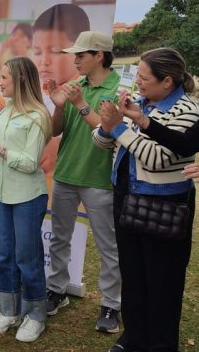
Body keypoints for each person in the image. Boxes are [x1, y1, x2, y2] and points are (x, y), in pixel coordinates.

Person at [92, 48, 198, 352]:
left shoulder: (186, 110)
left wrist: (120, 127)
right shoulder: (138, 103)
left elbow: (156, 158)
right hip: (126, 197)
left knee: (163, 281)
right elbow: (100, 142)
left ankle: (161, 344)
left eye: (143, 77)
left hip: (164, 204)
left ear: (167, 81)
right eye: (137, 74)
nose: (137, 81)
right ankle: (133, 338)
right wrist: (107, 122)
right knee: (133, 274)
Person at [0, 57, 52, 342]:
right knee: (4, 254)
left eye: (4, 77)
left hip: (28, 196)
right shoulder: (6, 112)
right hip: (4, 193)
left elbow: (30, 163)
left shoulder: (38, 116)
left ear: (21, 80)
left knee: (28, 257)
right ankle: (9, 311)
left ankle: (36, 314)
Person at [44, 31, 122, 333]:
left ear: (99, 56)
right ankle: (58, 290)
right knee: (60, 237)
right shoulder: (76, 86)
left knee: (108, 246)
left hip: (99, 178)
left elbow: (111, 131)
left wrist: (78, 104)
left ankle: (111, 304)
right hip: (65, 173)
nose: (75, 60)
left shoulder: (119, 88)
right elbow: (55, 131)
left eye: (81, 55)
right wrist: (60, 105)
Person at [31, 3, 91, 173]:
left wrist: (58, 145)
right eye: (37, 51)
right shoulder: (33, 94)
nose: (44, 61)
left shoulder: (89, 93)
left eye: (56, 51)